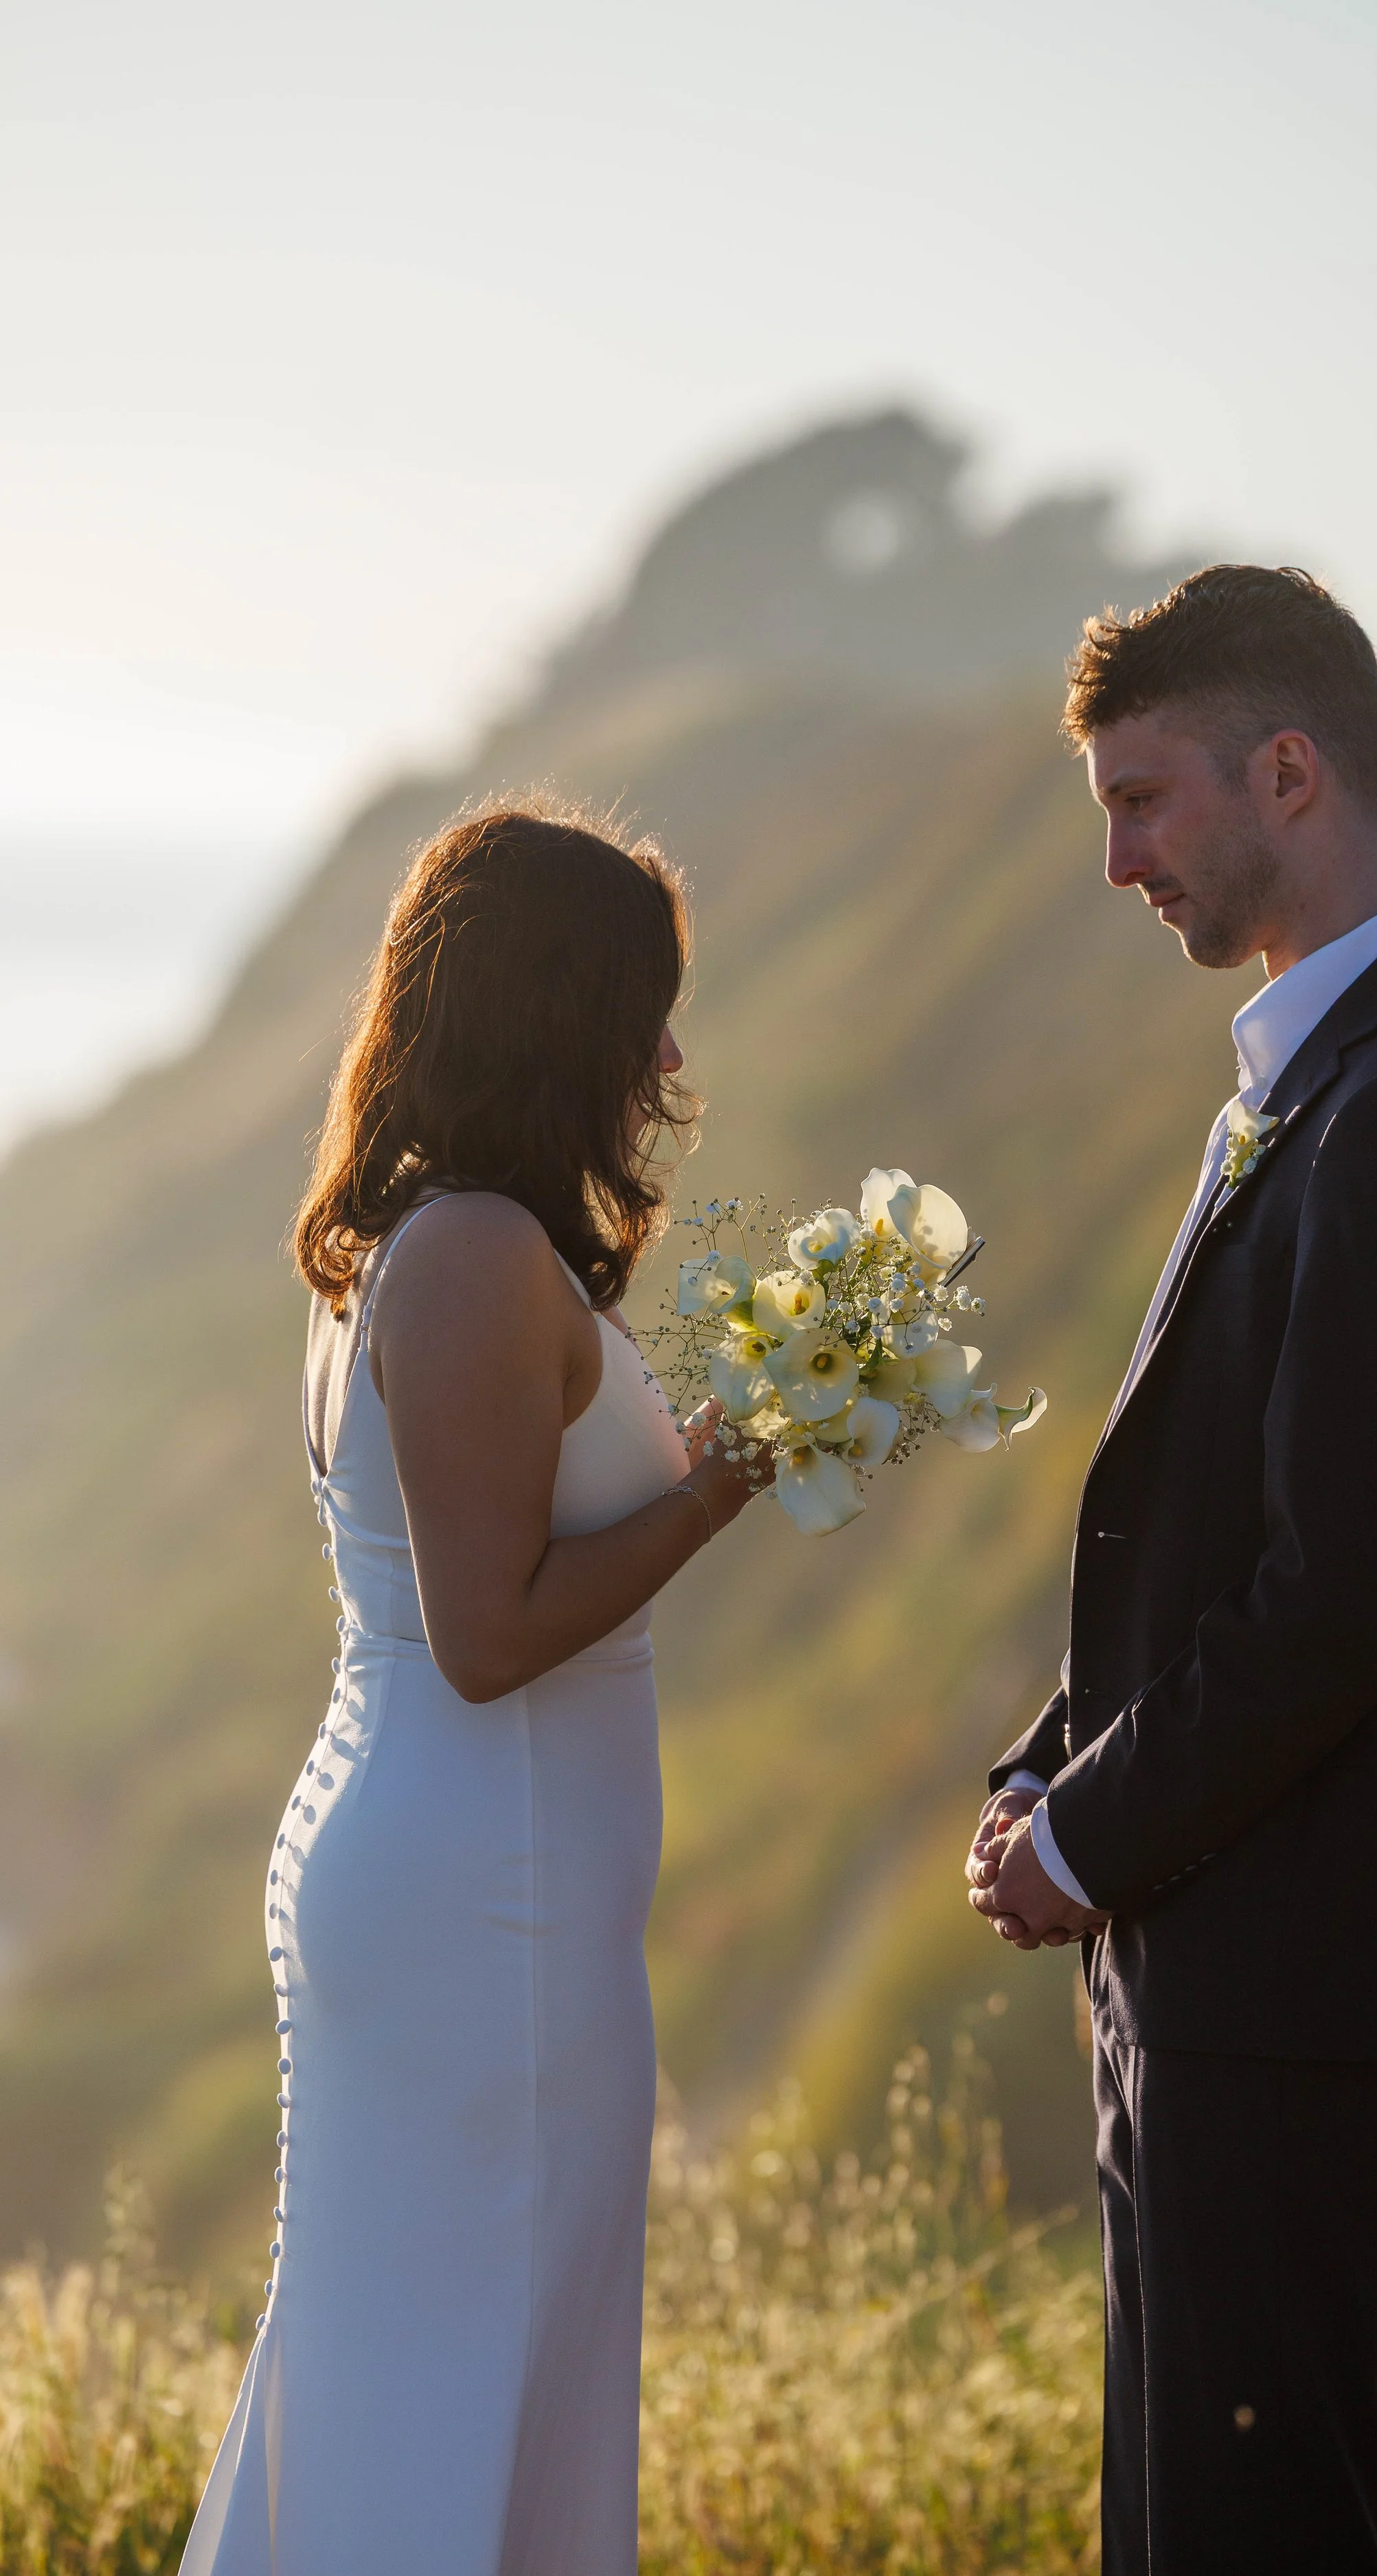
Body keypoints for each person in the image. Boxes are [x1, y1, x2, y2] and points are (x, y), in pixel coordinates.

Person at [966, 567, 1377, 2574]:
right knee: (1184, 2520)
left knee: (1252, 2532)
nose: (1118, 858)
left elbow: (1344, 1591)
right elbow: (1221, 1518)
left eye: (1142, 801)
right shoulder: (1331, 1072)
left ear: (1287, 770)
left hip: (1304, 1962)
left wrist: (1091, 1839)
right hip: (1234, 1939)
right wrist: (1050, 1768)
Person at [183, 802, 763, 2576]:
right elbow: (489, 1633)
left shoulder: (421, 1240)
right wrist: (713, 1491)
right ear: (561, 1007)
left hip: (471, 1883)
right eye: (646, 1007)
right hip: (475, 1904)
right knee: (445, 2384)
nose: (668, 1058)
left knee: (437, 2369)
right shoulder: (471, 1258)